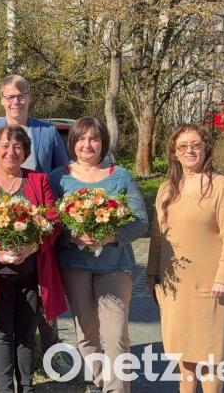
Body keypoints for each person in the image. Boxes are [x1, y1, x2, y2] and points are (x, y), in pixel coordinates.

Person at [0, 75, 69, 372]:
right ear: (2, 99)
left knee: (43, 293)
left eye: (20, 96)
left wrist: (48, 227)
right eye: (10, 96)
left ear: (29, 98)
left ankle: (51, 352)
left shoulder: (46, 133)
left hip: (38, 232)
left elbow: (60, 176)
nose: (15, 101)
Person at [49, 116, 148, 393]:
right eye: (81, 139)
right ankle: (99, 382)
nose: (87, 144)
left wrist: (112, 236)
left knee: (115, 335)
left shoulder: (120, 176)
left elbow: (140, 221)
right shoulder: (60, 178)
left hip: (115, 265)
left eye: (94, 139)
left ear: (103, 142)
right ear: (72, 143)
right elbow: (51, 223)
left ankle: (117, 389)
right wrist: (71, 236)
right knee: (87, 334)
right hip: (74, 265)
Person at [147, 124, 224, 393]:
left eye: (196, 145)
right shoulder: (166, 188)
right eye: (182, 146)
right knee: (184, 361)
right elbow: (158, 236)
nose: (189, 150)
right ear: (174, 153)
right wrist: (152, 274)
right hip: (174, 290)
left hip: (210, 289)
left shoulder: (222, 187)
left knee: (210, 360)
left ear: (206, 149)